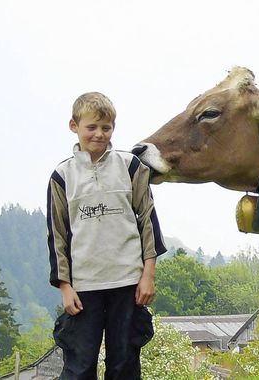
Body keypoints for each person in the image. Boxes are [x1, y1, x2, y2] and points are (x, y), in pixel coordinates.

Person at [47, 92, 167, 379]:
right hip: (84, 286)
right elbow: (57, 235)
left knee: (124, 365)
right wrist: (65, 287)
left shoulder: (130, 167)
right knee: (79, 367)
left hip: (127, 283)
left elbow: (149, 223)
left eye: (106, 127)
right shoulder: (62, 175)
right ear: (74, 126)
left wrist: (147, 275)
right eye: (92, 127)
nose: (99, 134)